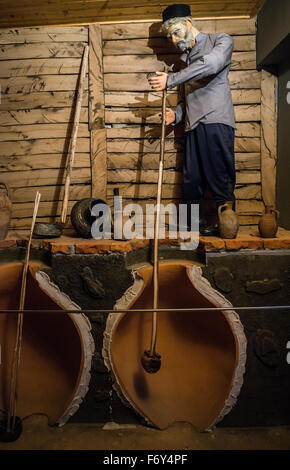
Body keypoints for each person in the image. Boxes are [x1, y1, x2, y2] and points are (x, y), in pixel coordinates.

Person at [148, 3, 238, 236]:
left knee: (219, 175)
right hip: (192, 125)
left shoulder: (221, 41)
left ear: (189, 23)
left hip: (216, 120)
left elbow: (211, 64)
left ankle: (227, 224)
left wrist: (171, 79)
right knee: (192, 180)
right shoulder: (186, 61)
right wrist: (175, 115)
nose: (175, 40)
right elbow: (188, 98)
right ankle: (193, 226)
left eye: (176, 32)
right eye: (170, 37)